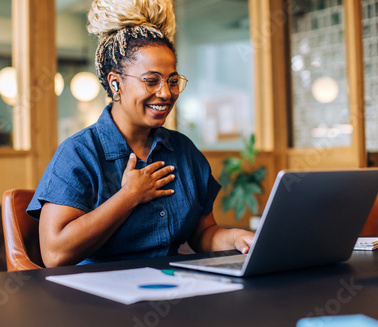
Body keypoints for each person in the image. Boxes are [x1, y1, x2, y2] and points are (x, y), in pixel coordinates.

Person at [27, 0, 254, 267]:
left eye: (172, 81)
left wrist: (237, 237)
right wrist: (129, 196)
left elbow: (202, 234)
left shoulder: (183, 151)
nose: (166, 93)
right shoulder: (79, 153)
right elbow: (55, 255)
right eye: (151, 80)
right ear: (115, 84)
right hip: (94, 296)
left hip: (169, 289)